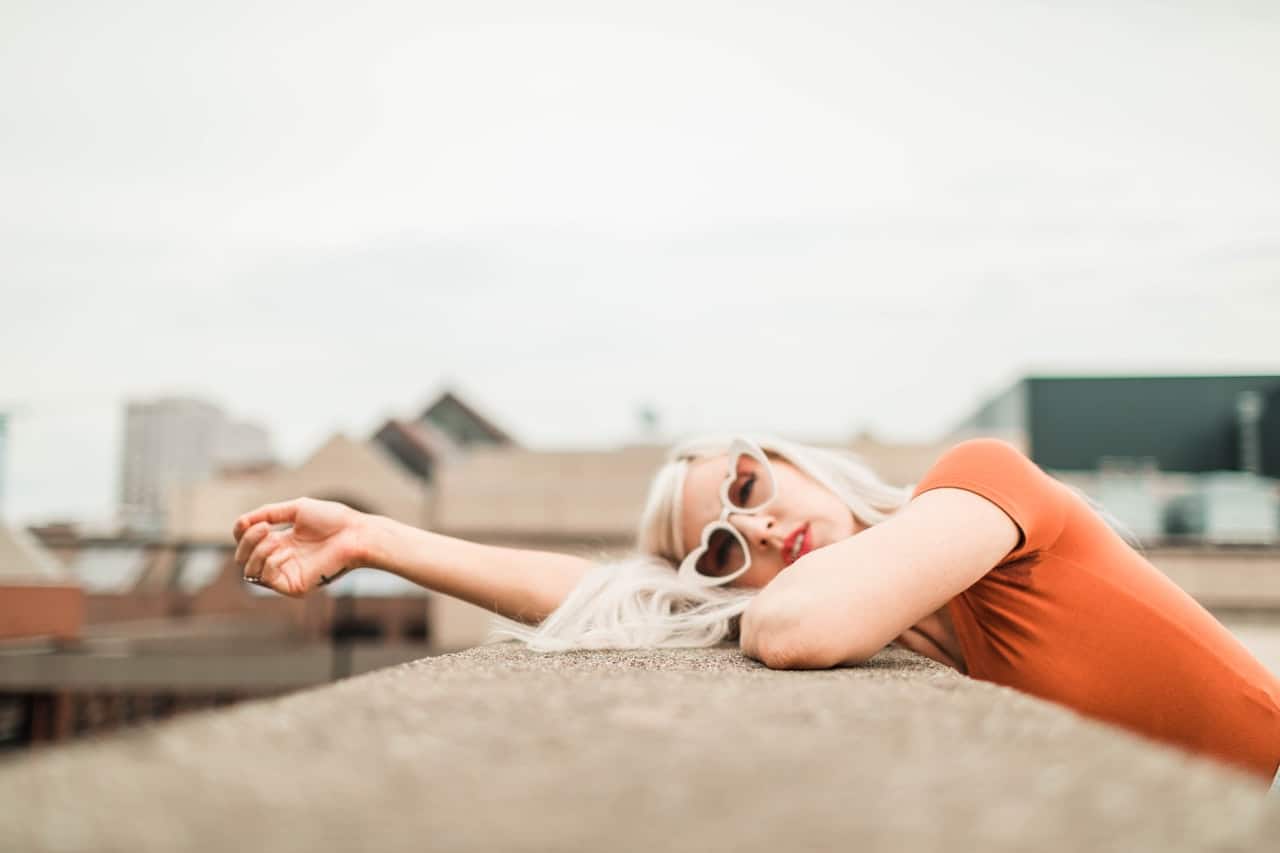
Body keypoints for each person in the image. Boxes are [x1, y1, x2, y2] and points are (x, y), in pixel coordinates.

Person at [232, 434, 1280, 785]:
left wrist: (732, 590)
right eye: (723, 549)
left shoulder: (977, 483)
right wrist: (378, 542)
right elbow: (608, 598)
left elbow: (798, 628)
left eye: (746, 483)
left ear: (789, 455)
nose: (762, 527)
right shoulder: (866, 609)